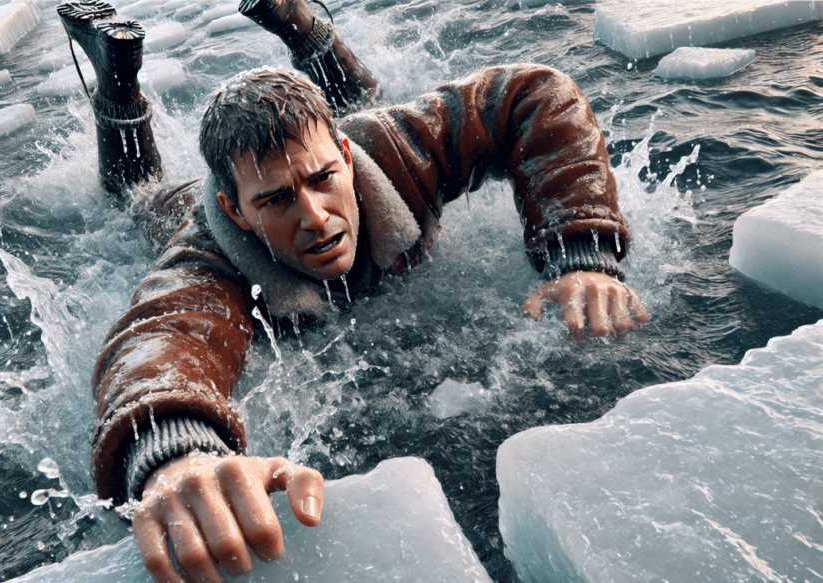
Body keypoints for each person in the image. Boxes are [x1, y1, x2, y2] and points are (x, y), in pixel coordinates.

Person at [56, 1, 650, 582]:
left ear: (345, 157)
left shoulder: (397, 146)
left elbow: (532, 93)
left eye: (321, 181)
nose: (314, 217)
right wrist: (175, 452)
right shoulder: (206, 259)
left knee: (362, 103)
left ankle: (299, 20)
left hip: (353, 132)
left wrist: (581, 252)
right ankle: (118, 89)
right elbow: (161, 335)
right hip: (181, 204)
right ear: (237, 213)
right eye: (277, 200)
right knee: (137, 197)